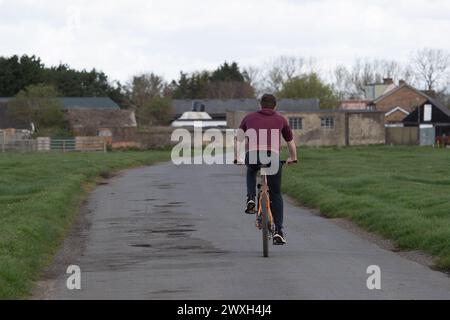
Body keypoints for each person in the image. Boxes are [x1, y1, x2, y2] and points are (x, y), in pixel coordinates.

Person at [235, 94, 298, 245]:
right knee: (276, 193)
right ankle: (279, 231)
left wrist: (237, 157)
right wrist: (293, 158)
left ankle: (250, 197)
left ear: (260, 105)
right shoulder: (281, 119)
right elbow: (290, 142)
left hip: (253, 155)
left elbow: (238, 138)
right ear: (275, 106)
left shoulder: (248, 117)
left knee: (251, 169)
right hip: (273, 158)